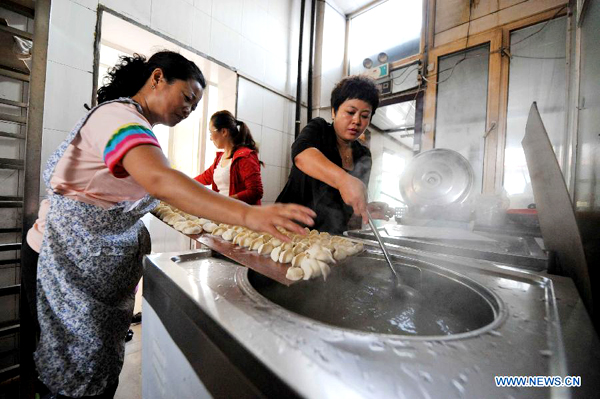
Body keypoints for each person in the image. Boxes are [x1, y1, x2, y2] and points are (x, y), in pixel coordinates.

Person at [27, 51, 315, 399]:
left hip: (89, 278)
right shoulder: (119, 117)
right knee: (72, 381)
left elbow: (155, 184)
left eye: (195, 106)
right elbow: (162, 180)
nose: (189, 109)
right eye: (188, 98)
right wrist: (250, 215)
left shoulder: (136, 126)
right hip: (66, 270)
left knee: (91, 376)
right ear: (158, 78)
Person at [277, 75, 391, 234]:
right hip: (288, 230)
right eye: (350, 112)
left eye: (365, 116)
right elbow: (302, 156)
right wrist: (343, 180)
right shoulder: (319, 130)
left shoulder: (363, 154)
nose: (357, 121)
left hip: (329, 239)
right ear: (334, 112)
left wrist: (364, 209)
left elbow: (347, 206)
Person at [194, 110, 263, 204]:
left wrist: (224, 201)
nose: (210, 138)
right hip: (223, 211)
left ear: (223, 132)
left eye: (211, 132)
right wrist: (181, 182)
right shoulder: (220, 158)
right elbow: (205, 178)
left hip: (240, 214)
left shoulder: (245, 156)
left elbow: (256, 191)